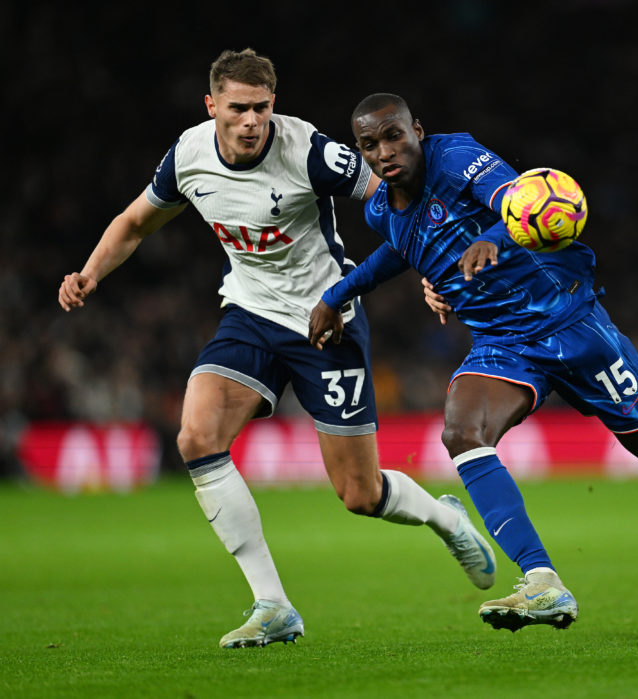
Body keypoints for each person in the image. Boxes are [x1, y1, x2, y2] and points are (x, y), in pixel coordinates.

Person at [57, 50, 496, 649]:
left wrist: (430, 265)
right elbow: (136, 223)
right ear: (212, 106)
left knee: (359, 495)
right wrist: (89, 274)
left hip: (327, 319)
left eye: (262, 108)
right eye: (237, 108)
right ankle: (273, 603)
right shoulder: (187, 156)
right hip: (250, 312)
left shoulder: (309, 151)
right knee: (197, 437)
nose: (251, 121)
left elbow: (393, 197)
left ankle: (445, 517)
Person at [308, 93, 638, 633]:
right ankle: (542, 582)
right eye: (370, 144)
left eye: (394, 135)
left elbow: (523, 199)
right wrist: (338, 294)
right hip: (503, 343)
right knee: (463, 433)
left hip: (571, 321)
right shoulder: (379, 209)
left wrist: (488, 239)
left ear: (417, 130)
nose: (385, 151)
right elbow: (400, 247)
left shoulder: (457, 158)